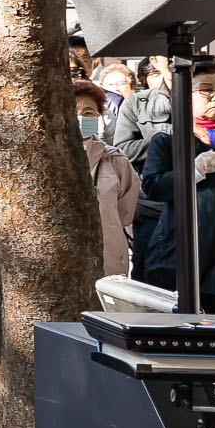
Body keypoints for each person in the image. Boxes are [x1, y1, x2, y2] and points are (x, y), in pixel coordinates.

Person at [139, 60, 215, 311]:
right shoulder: (168, 139)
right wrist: (196, 170)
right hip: (185, 254)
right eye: (206, 90)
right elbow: (154, 187)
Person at [71, 78, 140, 280]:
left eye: (89, 113)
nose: (81, 118)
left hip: (107, 261)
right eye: (72, 112)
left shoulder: (114, 159)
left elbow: (125, 213)